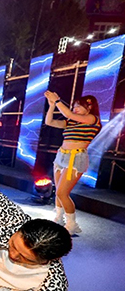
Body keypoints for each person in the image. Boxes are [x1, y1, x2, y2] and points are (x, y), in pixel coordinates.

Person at [44, 91, 101, 235]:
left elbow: (68, 114)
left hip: (75, 158)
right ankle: (58, 218)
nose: (75, 108)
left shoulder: (92, 118)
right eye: (74, 106)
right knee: (58, 191)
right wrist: (52, 106)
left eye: (79, 106)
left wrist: (57, 101)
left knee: (63, 192)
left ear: (88, 108)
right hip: (61, 156)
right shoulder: (71, 121)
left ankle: (72, 223)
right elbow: (49, 122)